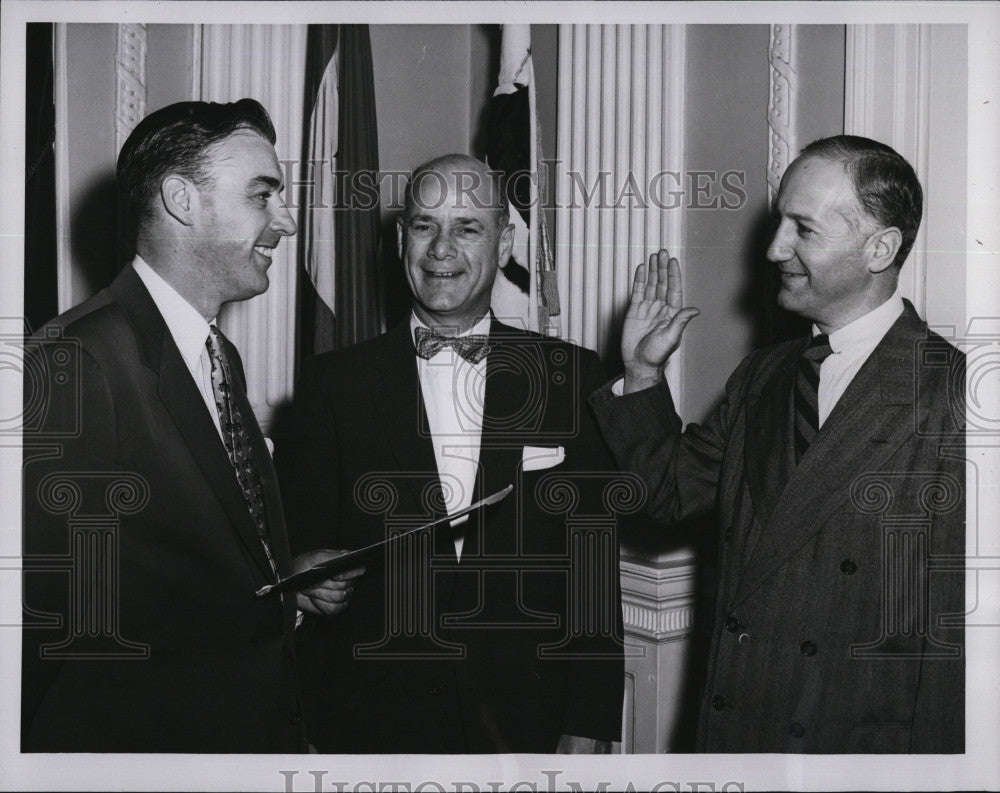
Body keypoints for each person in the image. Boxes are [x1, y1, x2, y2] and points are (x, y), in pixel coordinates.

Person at [591, 135, 965, 753]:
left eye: (803, 229)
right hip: (740, 731)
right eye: (777, 223)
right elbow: (668, 494)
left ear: (880, 248)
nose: (773, 249)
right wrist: (642, 374)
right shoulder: (764, 374)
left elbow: (955, 653)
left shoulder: (953, 396)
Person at [21, 99, 358, 752]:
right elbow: (46, 629)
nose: (284, 221)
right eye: (264, 195)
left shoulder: (214, 353)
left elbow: (171, 565)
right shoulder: (73, 362)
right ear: (181, 199)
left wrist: (285, 581)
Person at [278, 154, 624, 753]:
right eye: (423, 225)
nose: (441, 248)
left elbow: (591, 568)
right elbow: (295, 547)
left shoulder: (569, 374)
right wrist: (301, 574)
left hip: (524, 717)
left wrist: (588, 722)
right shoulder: (331, 383)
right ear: (399, 238)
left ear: (505, 242)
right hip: (369, 724)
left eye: (467, 227)